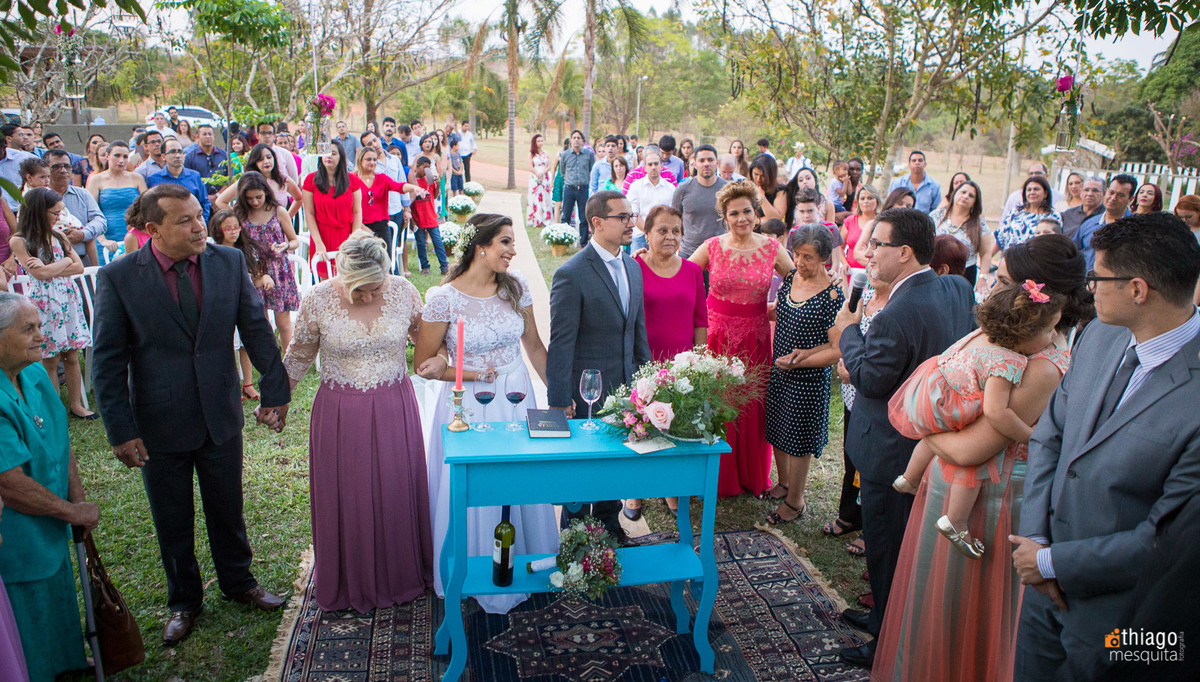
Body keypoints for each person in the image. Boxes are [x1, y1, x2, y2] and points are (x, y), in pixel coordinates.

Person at [874, 233, 1091, 682]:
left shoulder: (1044, 365)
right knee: (933, 605)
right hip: (953, 482)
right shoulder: (1011, 335)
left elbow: (973, 448)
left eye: (1004, 281)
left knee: (963, 614)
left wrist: (927, 431)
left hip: (988, 501)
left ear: (1041, 299)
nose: (993, 288)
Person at [93, 182, 291, 646]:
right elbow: (107, 361)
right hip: (159, 421)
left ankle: (239, 582)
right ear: (153, 230)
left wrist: (275, 390)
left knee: (228, 506)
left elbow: (256, 329)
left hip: (220, 411)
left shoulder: (229, 262)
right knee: (172, 516)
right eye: (184, 221)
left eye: (199, 215)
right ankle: (184, 600)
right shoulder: (119, 277)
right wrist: (120, 430)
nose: (200, 226)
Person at [1011, 212, 1200, 680]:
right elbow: (1052, 435)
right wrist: (1036, 539)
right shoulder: (1099, 333)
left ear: (1138, 290)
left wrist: (1052, 563)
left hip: (1130, 621)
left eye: (1098, 277)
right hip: (1043, 596)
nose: (1089, 287)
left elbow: (1169, 538)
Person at [828, 207, 976, 667]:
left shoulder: (895, 314)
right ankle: (882, 618)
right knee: (898, 543)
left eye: (877, 244)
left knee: (889, 548)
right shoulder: (955, 288)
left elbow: (871, 379)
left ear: (906, 252)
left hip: (892, 449)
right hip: (925, 442)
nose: (868, 253)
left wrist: (847, 334)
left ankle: (889, 643)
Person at [415, 214, 560, 613]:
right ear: (480, 246)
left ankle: (526, 558)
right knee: (475, 482)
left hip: (516, 394)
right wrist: (464, 371)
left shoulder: (517, 286)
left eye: (513, 242)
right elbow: (424, 364)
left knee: (518, 476)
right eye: (505, 242)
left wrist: (558, 395)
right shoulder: (443, 298)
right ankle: (474, 565)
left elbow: (534, 347)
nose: (513, 250)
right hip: (468, 402)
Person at [282, 233, 433, 612]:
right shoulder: (318, 298)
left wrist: (443, 361)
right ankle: (350, 579)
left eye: (374, 289)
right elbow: (299, 354)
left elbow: (428, 341)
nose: (367, 298)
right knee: (348, 495)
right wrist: (278, 401)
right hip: (339, 414)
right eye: (358, 291)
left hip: (394, 407)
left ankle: (401, 573)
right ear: (341, 277)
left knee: (395, 486)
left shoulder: (404, 292)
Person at [889, 282, 1064, 559]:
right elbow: (996, 412)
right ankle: (955, 520)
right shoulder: (1008, 362)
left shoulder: (981, 337)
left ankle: (909, 478)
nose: (1053, 335)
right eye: (1047, 330)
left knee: (932, 437)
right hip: (954, 406)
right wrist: (1030, 436)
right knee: (978, 461)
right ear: (1021, 335)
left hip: (932, 392)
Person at [0, 292, 99, 681]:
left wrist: (77, 499)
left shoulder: (36, 374)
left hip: (53, 518)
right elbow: (9, 484)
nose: (42, 335)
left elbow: (61, 438)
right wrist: (71, 512)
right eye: (28, 328)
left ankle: (67, 663)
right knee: (27, 613)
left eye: (40, 326)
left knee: (58, 593)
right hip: (16, 534)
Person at [547, 190, 651, 543]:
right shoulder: (571, 273)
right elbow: (561, 343)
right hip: (586, 392)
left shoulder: (633, 267)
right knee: (581, 470)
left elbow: (638, 331)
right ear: (597, 223)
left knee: (614, 463)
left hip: (625, 389)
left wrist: (647, 383)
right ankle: (574, 538)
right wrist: (559, 399)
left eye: (631, 215)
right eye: (622, 217)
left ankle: (610, 525)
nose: (631, 223)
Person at [690, 180, 794, 498]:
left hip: (755, 340)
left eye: (747, 211)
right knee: (718, 402)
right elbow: (684, 277)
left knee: (751, 406)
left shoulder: (772, 248)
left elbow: (797, 282)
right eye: (733, 213)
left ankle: (750, 475)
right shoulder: (712, 246)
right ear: (724, 218)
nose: (741, 218)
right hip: (717, 339)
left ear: (756, 213)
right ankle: (718, 475)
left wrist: (778, 307)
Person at [763, 224, 844, 523]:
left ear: (824, 258)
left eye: (808, 257)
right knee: (777, 428)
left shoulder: (832, 295)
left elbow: (837, 349)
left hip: (807, 380)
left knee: (798, 440)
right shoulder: (789, 279)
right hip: (780, 369)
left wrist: (801, 361)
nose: (799, 261)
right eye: (796, 254)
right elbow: (777, 311)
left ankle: (796, 502)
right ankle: (784, 483)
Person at [9, 188, 94, 420]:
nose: (59, 217)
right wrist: (64, 262)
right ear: (39, 211)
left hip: (67, 298)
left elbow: (78, 267)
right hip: (43, 303)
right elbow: (39, 275)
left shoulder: (59, 236)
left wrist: (56, 265)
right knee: (51, 358)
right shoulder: (20, 241)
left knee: (72, 355)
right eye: (54, 213)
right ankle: (55, 407)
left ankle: (76, 404)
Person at [827, 272, 891, 553]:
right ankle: (850, 515)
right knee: (852, 456)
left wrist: (854, 372)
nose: (871, 261)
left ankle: (870, 528)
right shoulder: (864, 296)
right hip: (852, 395)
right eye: (870, 256)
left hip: (875, 398)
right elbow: (846, 333)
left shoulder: (896, 306)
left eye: (877, 255)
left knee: (871, 465)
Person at [230, 172, 300, 357]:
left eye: (258, 197)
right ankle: (271, 359)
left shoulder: (278, 211)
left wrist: (286, 246)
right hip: (254, 270)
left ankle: (288, 363)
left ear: (266, 192)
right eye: (249, 198)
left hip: (279, 269)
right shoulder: (240, 214)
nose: (255, 202)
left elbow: (294, 240)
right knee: (262, 321)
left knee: (283, 322)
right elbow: (221, 203)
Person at [208, 209, 269, 398]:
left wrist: (265, 278)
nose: (234, 232)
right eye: (228, 228)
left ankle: (248, 383)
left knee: (245, 344)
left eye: (236, 227)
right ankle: (233, 385)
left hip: (244, 304)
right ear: (218, 230)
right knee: (229, 346)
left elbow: (254, 280)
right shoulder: (211, 253)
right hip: (223, 305)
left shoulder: (245, 251)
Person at [302, 141, 366, 279]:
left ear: (341, 156)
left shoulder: (353, 180)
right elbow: (309, 213)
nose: (329, 156)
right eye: (325, 153)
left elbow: (357, 212)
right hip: (321, 235)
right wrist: (319, 244)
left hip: (346, 235)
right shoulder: (311, 180)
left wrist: (353, 240)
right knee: (325, 281)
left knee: (348, 278)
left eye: (333, 153)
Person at [352, 145, 422, 250]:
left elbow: (399, 186)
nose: (372, 162)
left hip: (381, 227)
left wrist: (414, 188)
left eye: (374, 159)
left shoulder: (382, 178)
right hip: (360, 226)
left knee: (385, 257)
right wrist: (361, 227)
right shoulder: (352, 179)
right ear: (360, 160)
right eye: (368, 159)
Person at [87, 141, 145, 263]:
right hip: (106, 237)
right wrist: (102, 240)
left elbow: (147, 208)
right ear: (107, 156)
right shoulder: (96, 180)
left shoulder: (137, 178)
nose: (121, 160)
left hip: (134, 235)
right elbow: (90, 213)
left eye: (125, 157)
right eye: (117, 155)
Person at [930, 179, 994, 290]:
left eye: (971, 195)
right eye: (963, 192)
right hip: (934, 270)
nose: (965, 196)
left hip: (965, 274)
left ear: (975, 202)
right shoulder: (936, 215)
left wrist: (982, 278)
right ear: (955, 193)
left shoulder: (980, 225)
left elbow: (986, 254)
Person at [45, 149, 105, 267]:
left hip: (83, 261)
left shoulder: (83, 194)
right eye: (56, 166)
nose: (63, 170)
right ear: (46, 169)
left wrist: (83, 234)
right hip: (51, 263)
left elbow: (100, 221)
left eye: (67, 166)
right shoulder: (40, 196)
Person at [216, 143, 302, 220]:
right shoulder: (248, 180)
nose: (266, 161)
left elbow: (299, 198)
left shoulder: (283, 179)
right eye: (261, 159)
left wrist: (287, 218)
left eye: (269, 157)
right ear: (254, 162)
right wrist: (239, 220)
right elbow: (220, 201)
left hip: (278, 230)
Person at [674, 145, 726, 259]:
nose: (706, 164)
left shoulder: (728, 189)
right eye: (702, 160)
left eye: (710, 160)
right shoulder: (683, 189)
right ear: (695, 164)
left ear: (717, 163)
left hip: (720, 253)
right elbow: (674, 219)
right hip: (689, 253)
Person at [1074, 174, 1136, 270]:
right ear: (1106, 192)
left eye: (1120, 195)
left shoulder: (1135, 228)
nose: (1113, 198)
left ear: (1131, 199)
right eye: (1111, 192)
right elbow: (1073, 252)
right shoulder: (1089, 224)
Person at [147, 137, 211, 224]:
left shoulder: (194, 176)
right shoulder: (154, 179)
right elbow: (151, 208)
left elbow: (204, 203)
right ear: (163, 156)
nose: (177, 156)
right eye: (172, 152)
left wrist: (201, 223)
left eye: (180, 152)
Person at [627, 149, 676, 252]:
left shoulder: (670, 188)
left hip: (663, 236)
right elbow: (634, 214)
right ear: (645, 167)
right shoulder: (635, 187)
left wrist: (658, 233)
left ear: (661, 166)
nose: (653, 167)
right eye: (650, 164)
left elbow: (672, 214)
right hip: (640, 236)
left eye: (656, 164)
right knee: (638, 262)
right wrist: (648, 232)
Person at [995, 175, 1059, 252]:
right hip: (1011, 257)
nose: (1032, 192)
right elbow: (1001, 239)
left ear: (1045, 193)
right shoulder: (1015, 213)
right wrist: (988, 256)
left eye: (1036, 189)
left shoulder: (1054, 216)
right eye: (1029, 190)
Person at [409, 155, 449, 275]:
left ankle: (444, 266)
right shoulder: (412, 182)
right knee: (421, 243)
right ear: (417, 167)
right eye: (424, 167)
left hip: (431, 217)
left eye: (428, 167)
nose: (426, 170)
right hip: (418, 217)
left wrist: (438, 185)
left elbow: (434, 196)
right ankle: (425, 266)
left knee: (437, 242)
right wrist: (412, 221)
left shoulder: (429, 180)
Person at [559, 130, 596, 245]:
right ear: (571, 140)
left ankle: (583, 241)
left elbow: (592, 169)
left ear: (582, 140)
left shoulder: (588, 154)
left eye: (578, 138)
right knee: (566, 215)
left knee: (583, 217)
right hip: (569, 188)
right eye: (574, 137)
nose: (576, 140)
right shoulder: (565, 155)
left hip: (583, 189)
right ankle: (563, 240)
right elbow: (562, 171)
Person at [1001, 161, 1066, 221]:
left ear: (1047, 176)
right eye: (1031, 173)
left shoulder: (1058, 197)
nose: (1034, 176)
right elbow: (1003, 222)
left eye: (1038, 173)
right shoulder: (1014, 198)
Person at [841, 184, 878, 281]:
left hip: (873, 275)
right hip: (850, 273)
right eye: (862, 198)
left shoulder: (882, 224)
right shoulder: (850, 221)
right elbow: (839, 247)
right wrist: (845, 263)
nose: (866, 201)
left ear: (877, 201)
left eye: (870, 198)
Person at [888, 150, 941, 214]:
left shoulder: (934, 186)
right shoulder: (898, 183)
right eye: (914, 160)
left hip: (923, 220)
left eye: (920, 160)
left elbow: (936, 211)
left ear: (925, 164)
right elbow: (890, 206)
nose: (917, 163)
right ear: (909, 165)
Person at [1060, 176, 1104, 240]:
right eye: (1086, 190)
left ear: (1104, 193)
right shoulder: (1067, 215)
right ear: (1081, 193)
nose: (1089, 194)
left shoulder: (1105, 217)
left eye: (1095, 190)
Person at [527, 133, 553, 228]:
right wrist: (537, 174)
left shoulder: (546, 154)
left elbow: (549, 166)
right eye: (538, 141)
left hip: (544, 176)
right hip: (535, 177)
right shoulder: (531, 154)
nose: (540, 143)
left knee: (545, 198)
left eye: (542, 141)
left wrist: (542, 173)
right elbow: (530, 167)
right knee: (535, 198)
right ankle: (535, 219)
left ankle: (545, 219)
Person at [749, 155, 786, 221]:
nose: (758, 178)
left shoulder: (780, 191)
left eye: (763, 176)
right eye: (756, 174)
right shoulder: (747, 187)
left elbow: (776, 218)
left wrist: (762, 198)